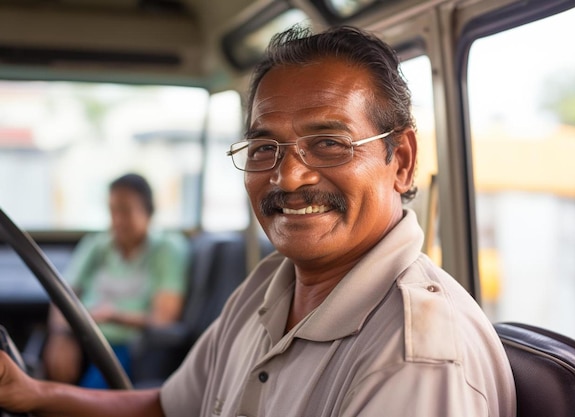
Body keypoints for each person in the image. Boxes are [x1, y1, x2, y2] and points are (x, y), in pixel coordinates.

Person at [0, 26, 515, 416]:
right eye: (265, 146)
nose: (289, 178)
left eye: (329, 144)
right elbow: (168, 408)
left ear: (400, 160)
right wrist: (31, 392)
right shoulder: (270, 284)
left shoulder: (415, 358)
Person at [43, 173, 190, 388]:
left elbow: (163, 318)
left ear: (148, 212)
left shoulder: (167, 249)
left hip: (129, 348)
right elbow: (64, 294)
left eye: (126, 210)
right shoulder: (97, 245)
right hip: (83, 339)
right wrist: (62, 335)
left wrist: (114, 316)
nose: (118, 220)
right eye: (113, 211)